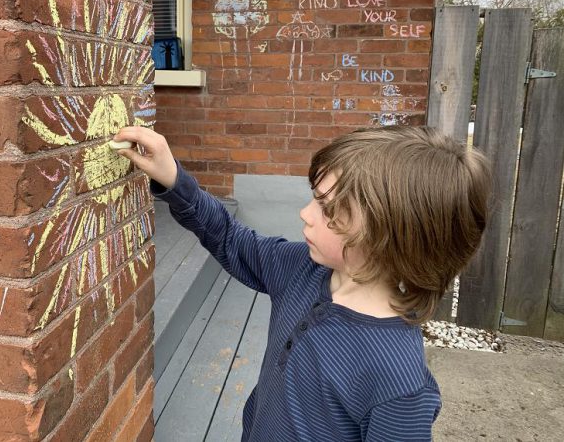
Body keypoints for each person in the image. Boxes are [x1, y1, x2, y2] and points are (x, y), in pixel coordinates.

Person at [112, 125, 491, 442]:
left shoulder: (397, 381)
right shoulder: (302, 271)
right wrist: (173, 178)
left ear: (391, 237)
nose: (306, 214)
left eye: (328, 210)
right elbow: (230, 238)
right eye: (314, 198)